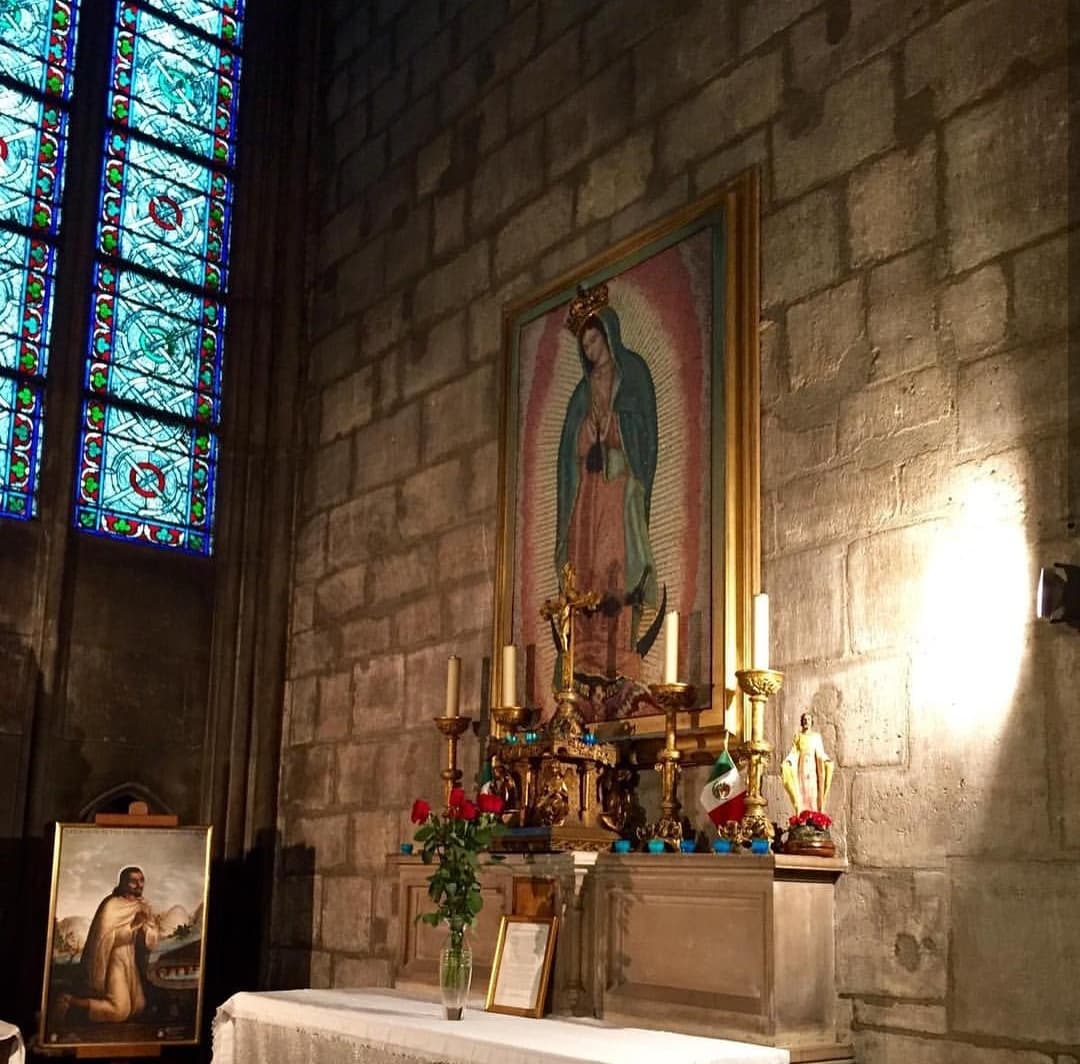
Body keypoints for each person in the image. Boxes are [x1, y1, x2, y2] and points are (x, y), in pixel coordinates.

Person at [555, 301, 659, 692]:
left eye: (594, 340)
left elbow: (643, 434)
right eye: (585, 345)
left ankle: (617, 649)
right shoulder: (581, 395)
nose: (590, 350)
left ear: (609, 337)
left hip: (618, 488)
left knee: (613, 562)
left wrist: (612, 425)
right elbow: (570, 450)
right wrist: (588, 434)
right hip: (588, 493)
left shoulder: (632, 377)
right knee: (585, 566)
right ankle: (584, 651)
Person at [60, 866, 158, 1023]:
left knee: (138, 1007)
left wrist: (147, 929)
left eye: (141, 880)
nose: (139, 885)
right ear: (123, 883)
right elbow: (106, 938)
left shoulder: (143, 906)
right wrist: (133, 925)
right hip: (114, 958)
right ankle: (71, 1001)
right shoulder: (112, 905)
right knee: (120, 1011)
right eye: (133, 881)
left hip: (130, 958)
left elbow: (150, 940)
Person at [781, 712, 835, 813]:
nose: (806, 721)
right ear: (802, 722)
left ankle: (815, 814)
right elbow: (794, 752)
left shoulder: (816, 737)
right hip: (801, 768)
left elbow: (820, 752)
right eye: (804, 719)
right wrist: (788, 762)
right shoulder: (798, 737)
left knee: (812, 791)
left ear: (811, 722)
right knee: (802, 790)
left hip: (812, 768)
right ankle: (802, 813)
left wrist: (826, 760)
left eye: (808, 719)